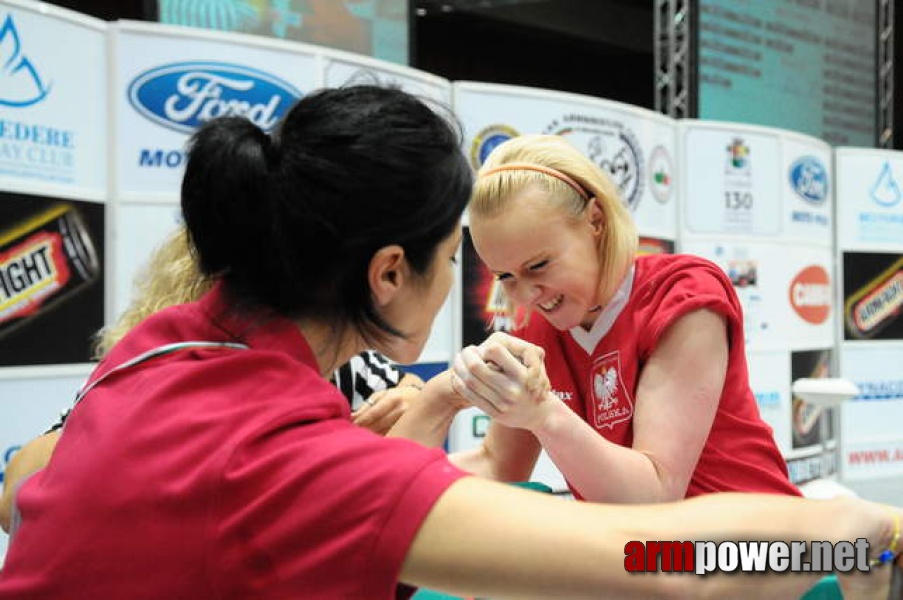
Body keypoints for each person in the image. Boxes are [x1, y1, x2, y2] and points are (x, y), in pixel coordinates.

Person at [0, 85, 901, 599]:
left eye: (526, 269)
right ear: (390, 272)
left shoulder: (149, 353)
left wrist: (428, 415)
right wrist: (848, 535)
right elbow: (668, 565)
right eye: (473, 268)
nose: (507, 295)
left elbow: (26, 484)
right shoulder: (299, 463)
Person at [440, 133, 800, 503]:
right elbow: (499, 464)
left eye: (539, 265)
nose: (527, 293)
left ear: (595, 221)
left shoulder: (681, 295)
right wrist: (408, 445)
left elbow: (656, 493)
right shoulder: (538, 330)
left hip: (756, 545)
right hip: (646, 553)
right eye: (506, 277)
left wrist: (543, 415)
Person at [0, 226, 424, 534]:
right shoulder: (150, 364)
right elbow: (15, 497)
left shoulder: (335, 360)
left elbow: (409, 392)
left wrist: (414, 403)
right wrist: (144, 428)